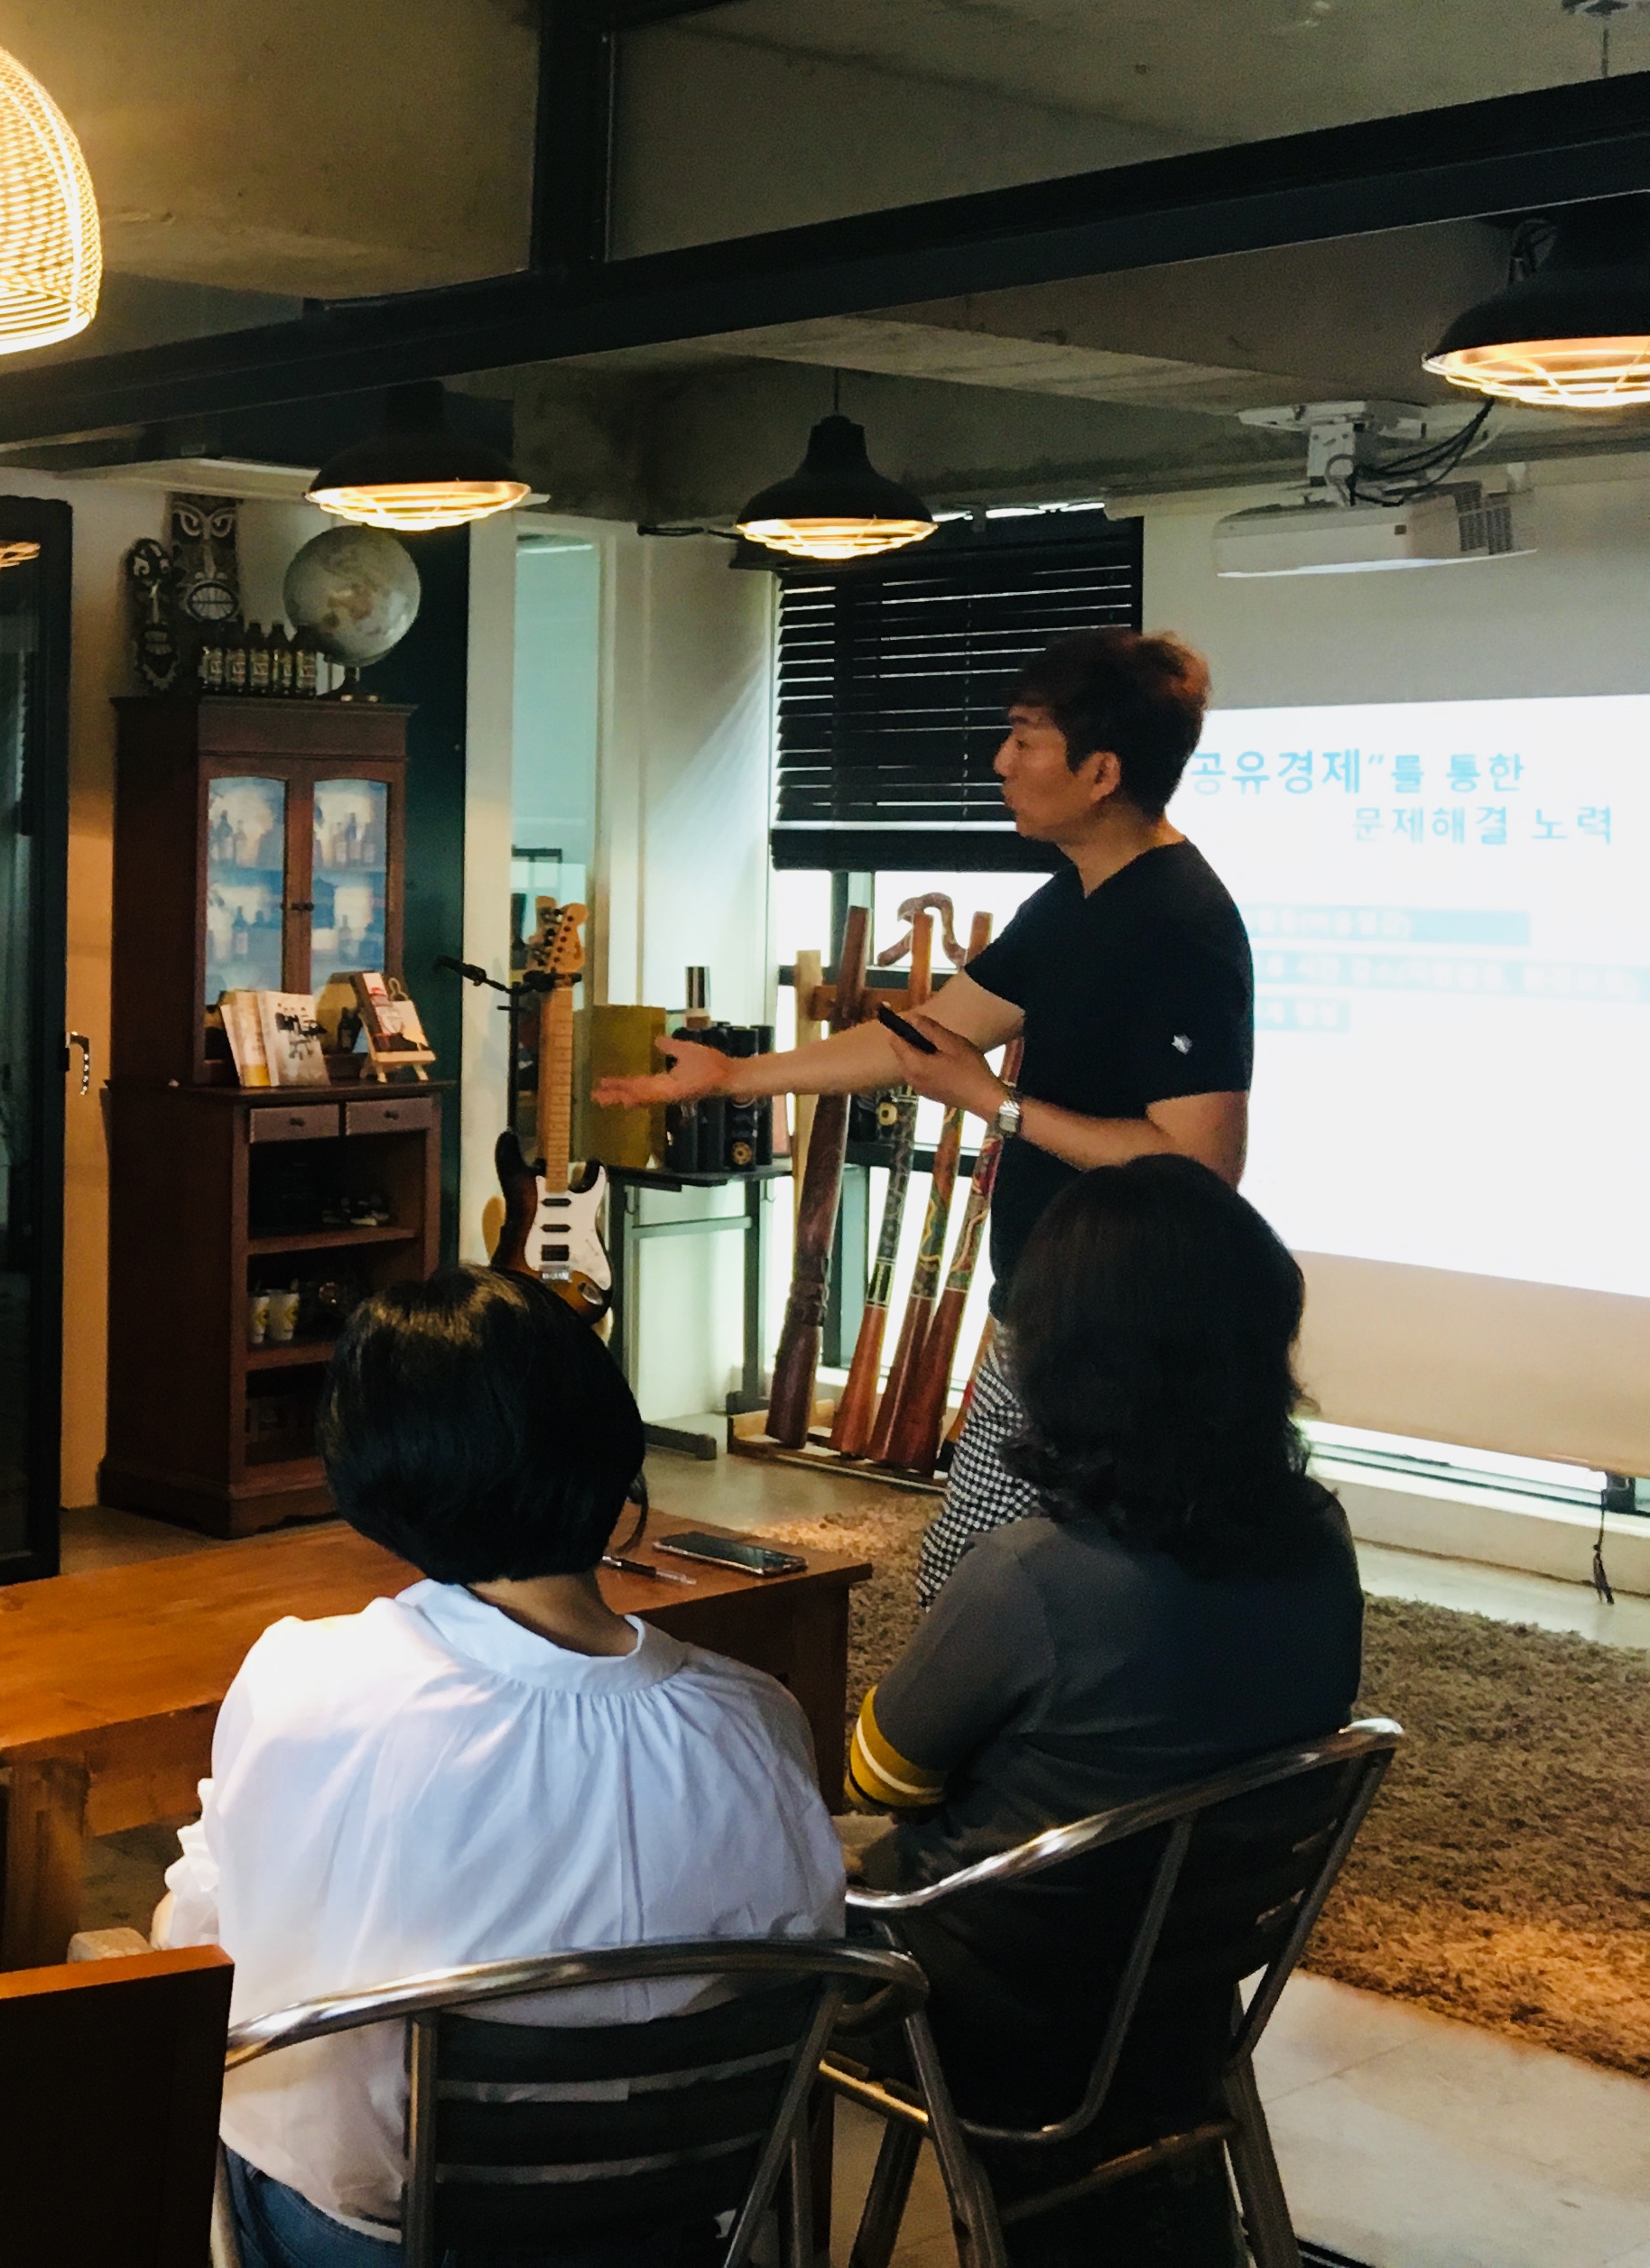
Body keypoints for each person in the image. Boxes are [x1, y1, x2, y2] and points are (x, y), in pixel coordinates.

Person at [161, 1269, 844, 2268]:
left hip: (376, 2242)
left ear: (373, 1466)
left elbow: (206, 1948)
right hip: (668, 2233)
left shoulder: (308, 1680)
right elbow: (799, 1957)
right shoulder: (759, 1718)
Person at [595, 631, 1253, 1601]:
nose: (1000, 763)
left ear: (1102, 771)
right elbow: (925, 1036)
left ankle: (997, 1735)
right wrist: (735, 1077)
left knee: (979, 1567)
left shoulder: (1180, 925)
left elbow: (1199, 1169)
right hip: (1048, 1288)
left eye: (1027, 740)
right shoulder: (1075, 897)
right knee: (1026, 1565)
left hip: (1124, 1313)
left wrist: (993, 1104)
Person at [842, 1160, 1358, 2257]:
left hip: (995, 1996)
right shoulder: (1319, 1532)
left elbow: (878, 1778)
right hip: (1186, 1978)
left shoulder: (1031, 1574)